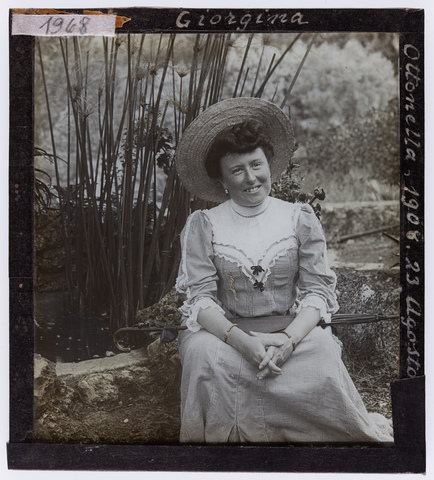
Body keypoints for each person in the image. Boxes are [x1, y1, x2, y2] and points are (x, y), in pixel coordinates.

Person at [174, 97, 394, 444]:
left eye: (256, 164)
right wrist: (244, 343)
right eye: (237, 170)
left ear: (269, 164)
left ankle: (315, 427)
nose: (251, 178)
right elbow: (199, 299)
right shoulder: (204, 225)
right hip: (227, 336)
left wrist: (289, 342)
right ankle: (221, 443)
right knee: (201, 353)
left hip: (289, 333)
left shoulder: (298, 217)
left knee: (320, 347)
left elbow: (318, 291)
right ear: (221, 178)